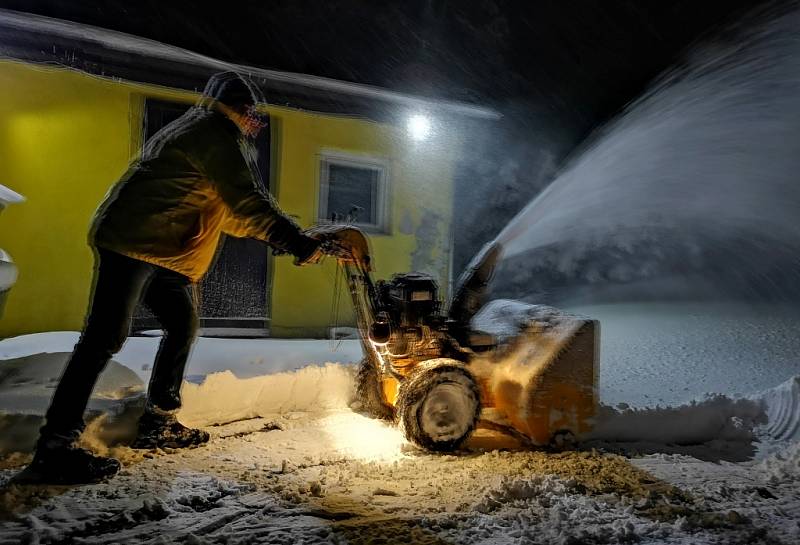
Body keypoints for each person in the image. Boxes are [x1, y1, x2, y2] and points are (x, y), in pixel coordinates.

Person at [21, 71, 322, 484]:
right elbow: (246, 201)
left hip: (166, 250)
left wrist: (291, 239)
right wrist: (294, 241)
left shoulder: (209, 132)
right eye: (251, 113)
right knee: (103, 339)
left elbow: (232, 215)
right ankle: (53, 450)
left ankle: (158, 420)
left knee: (182, 325)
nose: (256, 122)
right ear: (234, 108)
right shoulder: (214, 133)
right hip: (133, 240)